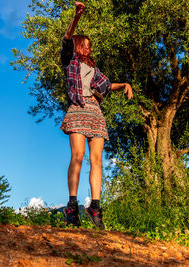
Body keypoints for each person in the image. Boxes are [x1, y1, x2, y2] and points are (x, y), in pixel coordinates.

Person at [60, 1, 133, 230]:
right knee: (78, 156)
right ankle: (72, 207)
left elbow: (107, 85)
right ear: (79, 45)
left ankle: (95, 207)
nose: (89, 49)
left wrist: (125, 85)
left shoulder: (93, 70)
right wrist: (76, 16)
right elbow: (66, 38)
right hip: (77, 110)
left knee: (97, 160)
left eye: (90, 46)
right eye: (87, 45)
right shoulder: (70, 61)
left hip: (95, 112)